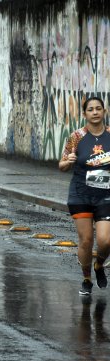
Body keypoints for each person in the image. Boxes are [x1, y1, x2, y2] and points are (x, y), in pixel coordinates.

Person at [59, 96, 109, 296]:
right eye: (91, 109)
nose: (95, 112)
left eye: (98, 108)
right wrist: (69, 160)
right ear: (85, 114)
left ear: (104, 111)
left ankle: (99, 265)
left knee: (105, 241)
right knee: (86, 240)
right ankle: (87, 278)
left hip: (106, 194)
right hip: (80, 194)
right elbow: (62, 166)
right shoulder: (76, 137)